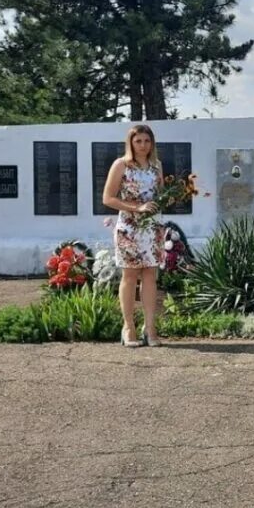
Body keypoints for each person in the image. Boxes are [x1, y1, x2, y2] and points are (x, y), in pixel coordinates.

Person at [102, 124, 165, 348]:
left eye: (147, 141)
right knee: (130, 275)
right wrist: (136, 208)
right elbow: (108, 198)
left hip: (152, 228)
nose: (143, 145)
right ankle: (128, 326)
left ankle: (150, 328)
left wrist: (168, 200)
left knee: (150, 275)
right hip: (129, 227)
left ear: (152, 143)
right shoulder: (121, 165)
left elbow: (161, 195)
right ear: (131, 142)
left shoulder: (156, 166)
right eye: (138, 141)